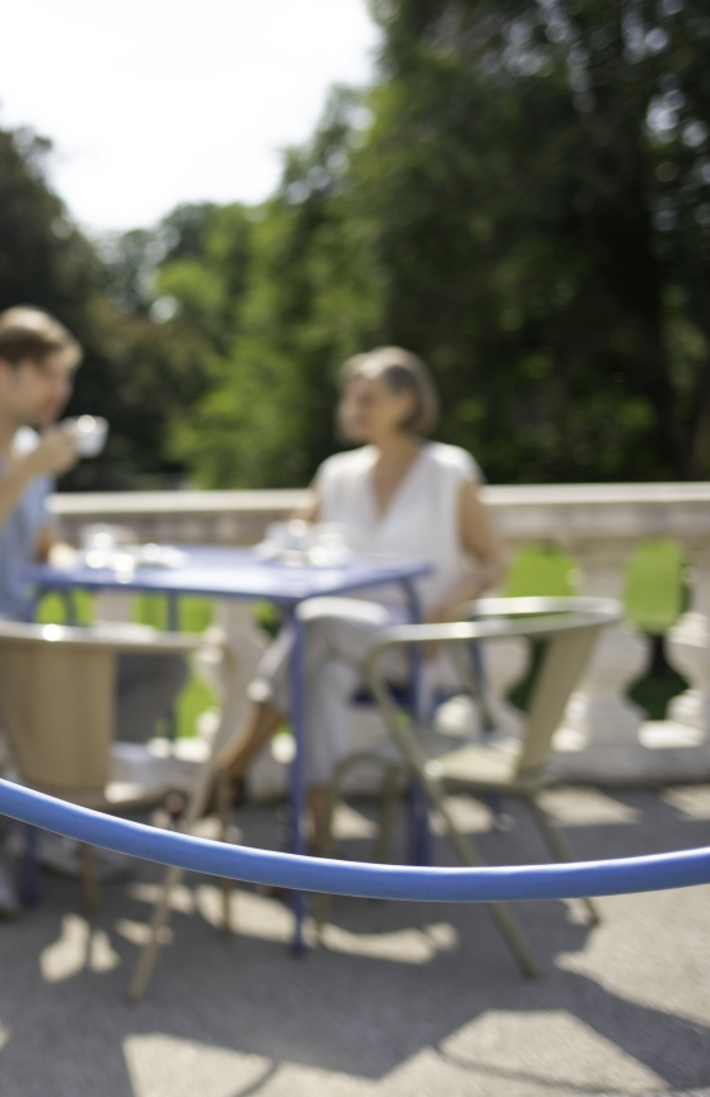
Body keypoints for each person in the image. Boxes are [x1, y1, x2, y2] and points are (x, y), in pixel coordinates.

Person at [0, 306, 184, 913]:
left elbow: (44, 547)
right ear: (2, 373)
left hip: (22, 638)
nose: (62, 391)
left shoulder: (33, 454)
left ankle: (68, 817)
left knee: (160, 663)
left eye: (65, 377)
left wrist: (98, 553)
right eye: (49, 375)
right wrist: (23, 471)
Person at [209, 346, 508, 850]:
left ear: (406, 402)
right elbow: (290, 540)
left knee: (317, 625)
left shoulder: (449, 472)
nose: (354, 408)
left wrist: (442, 610)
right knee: (323, 675)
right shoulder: (337, 475)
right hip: (343, 643)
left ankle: (229, 768)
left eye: (367, 398)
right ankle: (317, 843)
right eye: (352, 397)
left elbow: (493, 561)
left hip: (418, 644)